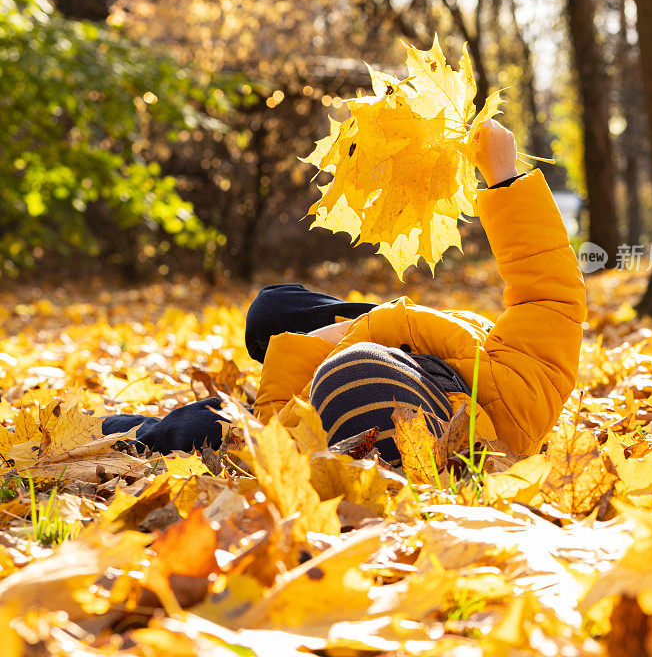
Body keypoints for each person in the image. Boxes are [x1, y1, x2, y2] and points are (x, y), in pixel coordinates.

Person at [103, 120, 586, 462]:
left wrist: (314, 351)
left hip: (337, 373)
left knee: (207, 428)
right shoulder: (517, 404)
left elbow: (275, 417)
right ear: (423, 377)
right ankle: (352, 349)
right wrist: (505, 178)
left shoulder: (302, 437)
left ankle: (123, 429)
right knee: (271, 310)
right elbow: (550, 291)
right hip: (417, 332)